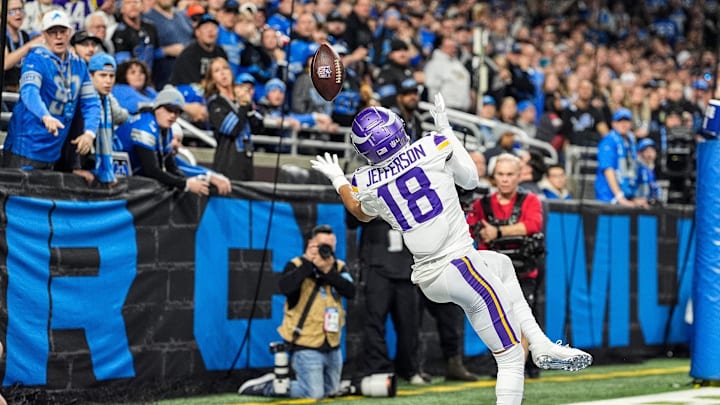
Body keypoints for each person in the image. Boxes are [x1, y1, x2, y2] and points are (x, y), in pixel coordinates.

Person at [310, 95, 592, 405]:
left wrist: (339, 180)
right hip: (459, 265)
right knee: (511, 357)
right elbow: (470, 179)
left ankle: (539, 344)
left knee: (500, 264)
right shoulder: (431, 146)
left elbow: (360, 212)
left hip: (429, 277)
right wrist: (446, 130)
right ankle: (536, 350)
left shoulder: (364, 180)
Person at [238, 225, 356, 399]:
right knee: (314, 394)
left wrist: (328, 272)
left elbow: (350, 292)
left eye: (330, 246)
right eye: (322, 245)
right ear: (311, 244)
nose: (326, 250)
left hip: (332, 345)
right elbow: (285, 287)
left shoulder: (338, 267)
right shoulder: (296, 265)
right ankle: (271, 386)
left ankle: (284, 384)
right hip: (305, 344)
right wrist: (309, 263)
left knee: (331, 392)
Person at [467, 152, 546, 379]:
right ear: (494, 177)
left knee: (522, 317)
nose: (505, 179)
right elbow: (471, 228)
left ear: (519, 176)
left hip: (524, 270)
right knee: (497, 319)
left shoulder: (530, 200)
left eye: (510, 174)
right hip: (492, 273)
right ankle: (508, 365)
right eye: (500, 174)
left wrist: (497, 231)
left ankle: (517, 369)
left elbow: (532, 225)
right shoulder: (481, 204)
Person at [3, 10, 100, 171]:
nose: (58, 36)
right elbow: (29, 91)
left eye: (62, 31)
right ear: (43, 35)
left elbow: (91, 102)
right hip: (26, 146)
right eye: (52, 32)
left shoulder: (79, 65)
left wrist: (89, 133)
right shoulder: (35, 59)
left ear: (69, 33)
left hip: (54, 149)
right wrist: (45, 116)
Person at [347, 217, 428, 385]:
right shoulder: (365, 190)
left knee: (409, 323)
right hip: (376, 265)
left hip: (406, 267)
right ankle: (379, 368)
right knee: (374, 321)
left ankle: (408, 368)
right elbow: (351, 220)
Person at [114, 86, 210, 196]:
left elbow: (170, 166)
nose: (173, 115)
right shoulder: (145, 126)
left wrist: (189, 182)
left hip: (131, 176)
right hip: (118, 179)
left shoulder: (165, 129)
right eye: (169, 109)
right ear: (157, 108)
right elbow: (151, 170)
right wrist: (186, 184)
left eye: (177, 112)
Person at [205, 59, 261, 181]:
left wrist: (249, 106)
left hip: (247, 160)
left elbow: (258, 127)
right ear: (212, 79)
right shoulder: (215, 103)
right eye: (217, 71)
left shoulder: (241, 98)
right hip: (227, 162)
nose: (223, 73)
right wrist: (244, 106)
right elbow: (232, 129)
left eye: (225, 68)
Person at [594, 108, 645, 207]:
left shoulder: (631, 142)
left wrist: (633, 198)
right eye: (620, 121)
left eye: (626, 121)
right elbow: (608, 169)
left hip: (626, 194)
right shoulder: (608, 141)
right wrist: (619, 196)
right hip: (609, 198)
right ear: (613, 124)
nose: (624, 124)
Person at [3, 0, 44, 92]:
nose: (18, 14)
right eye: (12, 11)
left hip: (21, 90)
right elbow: (4, 63)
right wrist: (28, 46)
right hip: (4, 92)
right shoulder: (2, 34)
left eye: (20, 9)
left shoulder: (24, 35)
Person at [635, 138, 662, 206]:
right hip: (640, 207)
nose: (650, 155)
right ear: (640, 153)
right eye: (647, 151)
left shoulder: (651, 169)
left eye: (652, 151)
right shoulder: (638, 169)